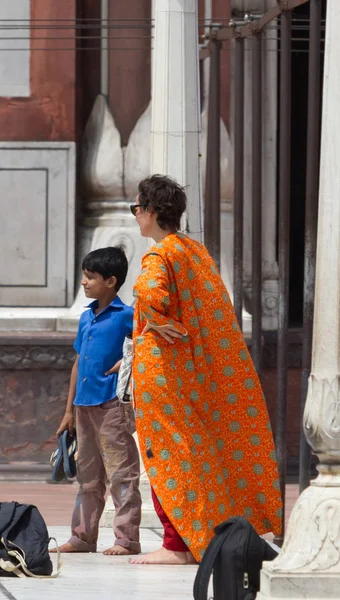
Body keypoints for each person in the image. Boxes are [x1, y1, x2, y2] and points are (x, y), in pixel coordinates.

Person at [127, 175, 282, 565]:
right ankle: (210, 532)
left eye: (136, 208)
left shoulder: (159, 256)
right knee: (204, 453)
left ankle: (176, 545)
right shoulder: (195, 252)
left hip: (163, 375)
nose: (135, 216)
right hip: (197, 374)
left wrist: (160, 325)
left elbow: (149, 295)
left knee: (169, 455)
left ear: (150, 211)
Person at [52, 247, 142, 556]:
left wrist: (130, 358)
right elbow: (78, 363)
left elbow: (147, 345)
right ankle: (82, 537)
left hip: (112, 406)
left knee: (121, 474)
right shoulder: (85, 318)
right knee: (87, 476)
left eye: (90, 277)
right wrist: (68, 411)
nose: (84, 282)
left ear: (111, 281)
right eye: (85, 275)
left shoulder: (127, 316)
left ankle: (126, 539)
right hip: (83, 407)